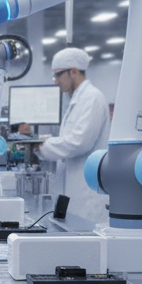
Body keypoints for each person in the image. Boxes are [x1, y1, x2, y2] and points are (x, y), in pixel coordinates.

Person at [36, 46, 112, 224]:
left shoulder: (92, 98)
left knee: (87, 245)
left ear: (74, 72)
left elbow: (78, 142)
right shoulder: (77, 99)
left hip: (87, 194)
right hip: (74, 190)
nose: (56, 81)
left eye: (58, 75)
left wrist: (42, 146)